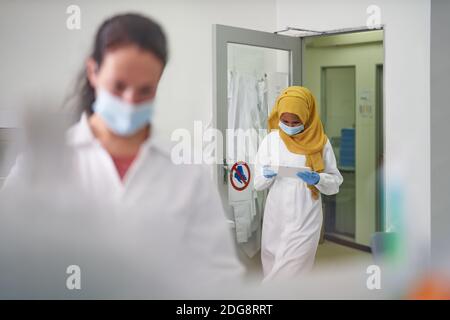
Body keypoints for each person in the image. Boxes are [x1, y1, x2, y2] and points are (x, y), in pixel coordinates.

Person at [2, 13, 243, 292]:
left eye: (145, 90)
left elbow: (219, 277)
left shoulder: (187, 170)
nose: (130, 100)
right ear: (93, 72)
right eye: (118, 86)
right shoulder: (43, 164)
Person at [254, 86, 343, 282]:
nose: (289, 126)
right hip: (275, 218)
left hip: (306, 216)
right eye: (284, 121)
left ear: (308, 117)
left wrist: (319, 179)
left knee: (287, 276)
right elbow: (257, 183)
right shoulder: (270, 140)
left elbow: (335, 182)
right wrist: (267, 175)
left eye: (296, 122)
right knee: (272, 268)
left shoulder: (320, 142)